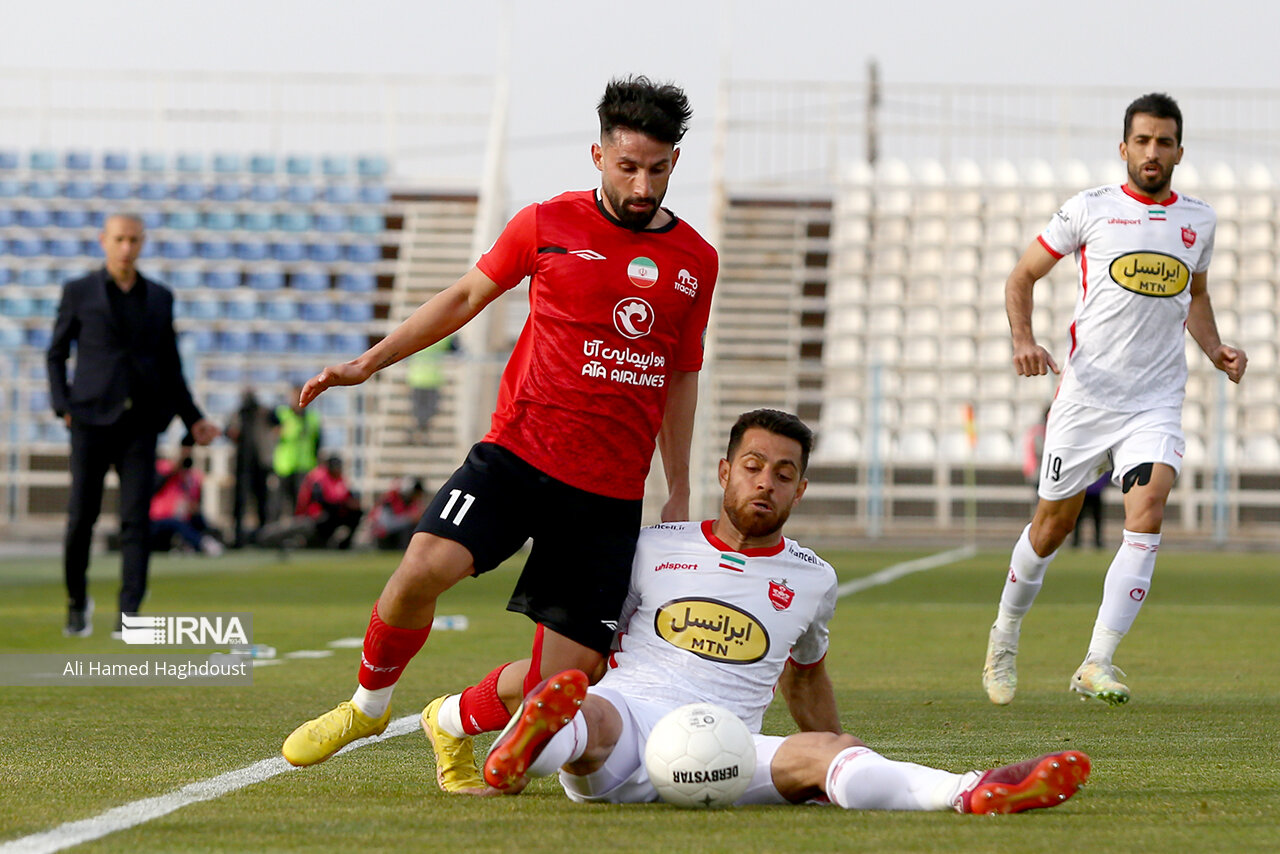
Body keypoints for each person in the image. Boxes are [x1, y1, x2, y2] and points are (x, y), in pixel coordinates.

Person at [282, 76, 717, 770]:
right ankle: (366, 708)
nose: (643, 185)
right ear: (598, 156)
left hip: (607, 490)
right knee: (422, 569)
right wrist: (367, 363)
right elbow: (463, 297)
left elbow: (680, 374)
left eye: (657, 170)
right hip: (519, 453)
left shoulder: (697, 262)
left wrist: (680, 486)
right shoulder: (546, 224)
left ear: (673, 164)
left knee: (570, 685)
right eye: (629, 167)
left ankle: (450, 716)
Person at [472, 410, 1090, 815]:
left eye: (783, 474)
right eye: (753, 467)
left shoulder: (814, 577)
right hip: (632, 719)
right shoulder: (653, 546)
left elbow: (807, 673)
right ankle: (525, 749)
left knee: (831, 755)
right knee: (585, 710)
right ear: (725, 472)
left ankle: (974, 791)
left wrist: (832, 739)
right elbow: (591, 636)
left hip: (728, 750)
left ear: (801, 490)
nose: (765, 483)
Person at [982, 93, 1247, 707]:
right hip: (1085, 397)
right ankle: (1005, 634)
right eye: (1142, 140)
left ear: (1180, 150)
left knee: (1149, 508)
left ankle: (1097, 660)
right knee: (1051, 529)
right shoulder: (1089, 210)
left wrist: (1213, 348)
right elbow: (1021, 276)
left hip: (1154, 399)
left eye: (1164, 142)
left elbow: (1195, 296)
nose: (1153, 152)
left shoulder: (1199, 222)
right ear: (1123, 147)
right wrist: (1023, 337)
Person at [46, 213, 219, 638]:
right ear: (104, 240)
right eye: (120, 239)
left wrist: (193, 417)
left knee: (135, 522)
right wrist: (61, 405)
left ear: (142, 243)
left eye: (134, 240)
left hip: (141, 423)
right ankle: (75, 603)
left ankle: (129, 615)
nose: (127, 247)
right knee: (80, 518)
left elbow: (170, 366)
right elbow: (55, 354)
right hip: (88, 420)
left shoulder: (160, 297)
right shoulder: (78, 291)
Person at [150, 435, 222, 556]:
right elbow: (158, 483)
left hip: (180, 517)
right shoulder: (163, 467)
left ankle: (202, 541)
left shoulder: (191, 477)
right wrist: (177, 463)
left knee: (198, 519)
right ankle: (201, 544)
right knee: (177, 523)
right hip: (158, 519)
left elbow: (193, 502)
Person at [225, 388, 279, 548]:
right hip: (242, 464)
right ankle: (238, 537)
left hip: (260, 462)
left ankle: (263, 537)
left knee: (262, 501)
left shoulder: (264, 412)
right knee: (239, 503)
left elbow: (277, 422)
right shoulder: (237, 414)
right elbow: (228, 431)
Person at [295, 454, 364, 550]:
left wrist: (352, 503)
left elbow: (348, 495)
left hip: (335, 511)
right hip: (318, 513)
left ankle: (344, 545)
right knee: (325, 518)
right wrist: (343, 504)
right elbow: (319, 500)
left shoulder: (340, 479)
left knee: (357, 513)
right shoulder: (319, 478)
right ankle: (319, 540)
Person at [273, 384, 320, 522]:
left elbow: (317, 442)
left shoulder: (312, 417)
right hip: (284, 466)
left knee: (301, 503)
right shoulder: (281, 414)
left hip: (305, 466)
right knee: (280, 503)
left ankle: (299, 532)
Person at [405, 335, 455, 440]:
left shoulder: (415, 335)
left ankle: (418, 432)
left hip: (417, 378)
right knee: (429, 410)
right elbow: (456, 348)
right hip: (431, 378)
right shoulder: (443, 336)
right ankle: (420, 432)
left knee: (420, 410)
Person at [369, 478, 428, 551]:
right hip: (385, 536)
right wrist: (409, 518)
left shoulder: (409, 503)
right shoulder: (390, 500)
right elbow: (386, 525)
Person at [1072, 472, 1110, 549]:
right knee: (1078, 518)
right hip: (1083, 493)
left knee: (1097, 519)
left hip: (1095, 493)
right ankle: (1076, 540)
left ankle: (1097, 541)